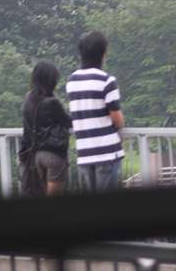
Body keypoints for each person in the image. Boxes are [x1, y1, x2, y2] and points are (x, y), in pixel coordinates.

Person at [66, 31, 125, 193]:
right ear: (103, 53)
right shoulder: (107, 80)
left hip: (85, 153)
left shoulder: (72, 81)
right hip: (107, 152)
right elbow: (117, 119)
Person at [19, 61, 72, 196]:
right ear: (52, 80)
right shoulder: (52, 102)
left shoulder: (28, 98)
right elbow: (68, 122)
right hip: (53, 155)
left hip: (35, 156)